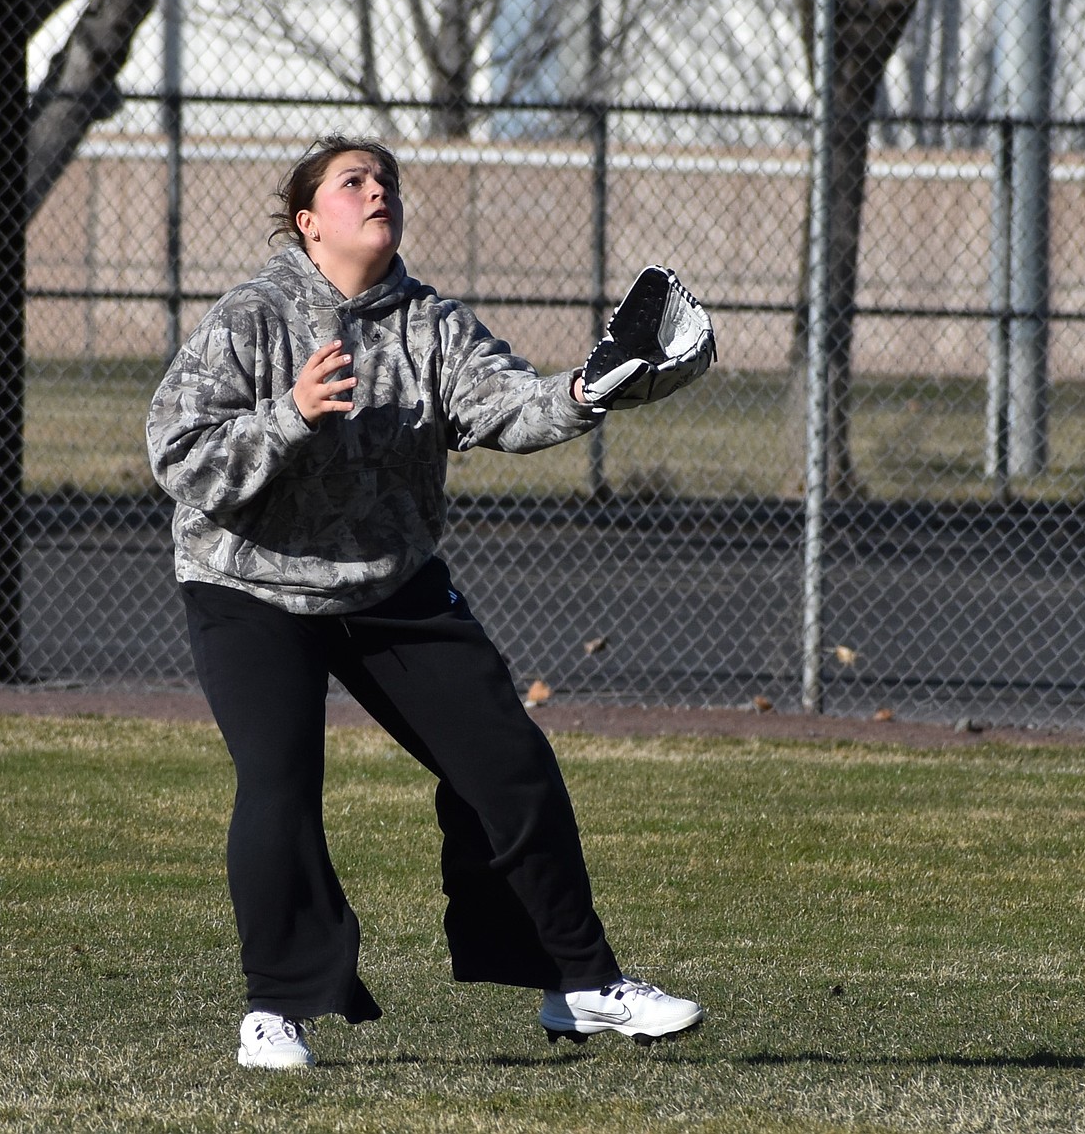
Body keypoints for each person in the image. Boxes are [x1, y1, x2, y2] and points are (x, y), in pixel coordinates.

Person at [146, 135, 704, 1069]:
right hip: (249, 581)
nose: (376, 193)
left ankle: (580, 982)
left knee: (508, 761)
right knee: (281, 783)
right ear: (308, 219)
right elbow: (177, 454)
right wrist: (289, 415)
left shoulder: (429, 324)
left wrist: (585, 389)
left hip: (387, 580)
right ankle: (276, 1005)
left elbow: (508, 408)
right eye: (352, 183)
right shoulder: (251, 318)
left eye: (386, 182)